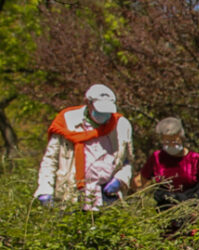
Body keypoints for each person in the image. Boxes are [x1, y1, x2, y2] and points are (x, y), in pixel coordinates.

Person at [35, 83, 134, 211]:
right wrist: (45, 189)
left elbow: (127, 161)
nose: (104, 115)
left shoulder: (121, 126)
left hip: (106, 196)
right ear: (88, 103)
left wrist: (120, 179)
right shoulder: (66, 123)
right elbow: (50, 160)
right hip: (73, 195)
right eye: (100, 111)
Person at [135, 117, 199, 222]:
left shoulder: (194, 159)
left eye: (174, 140)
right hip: (165, 216)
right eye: (166, 141)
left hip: (193, 214)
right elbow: (142, 184)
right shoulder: (157, 157)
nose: (170, 144)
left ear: (181, 136)